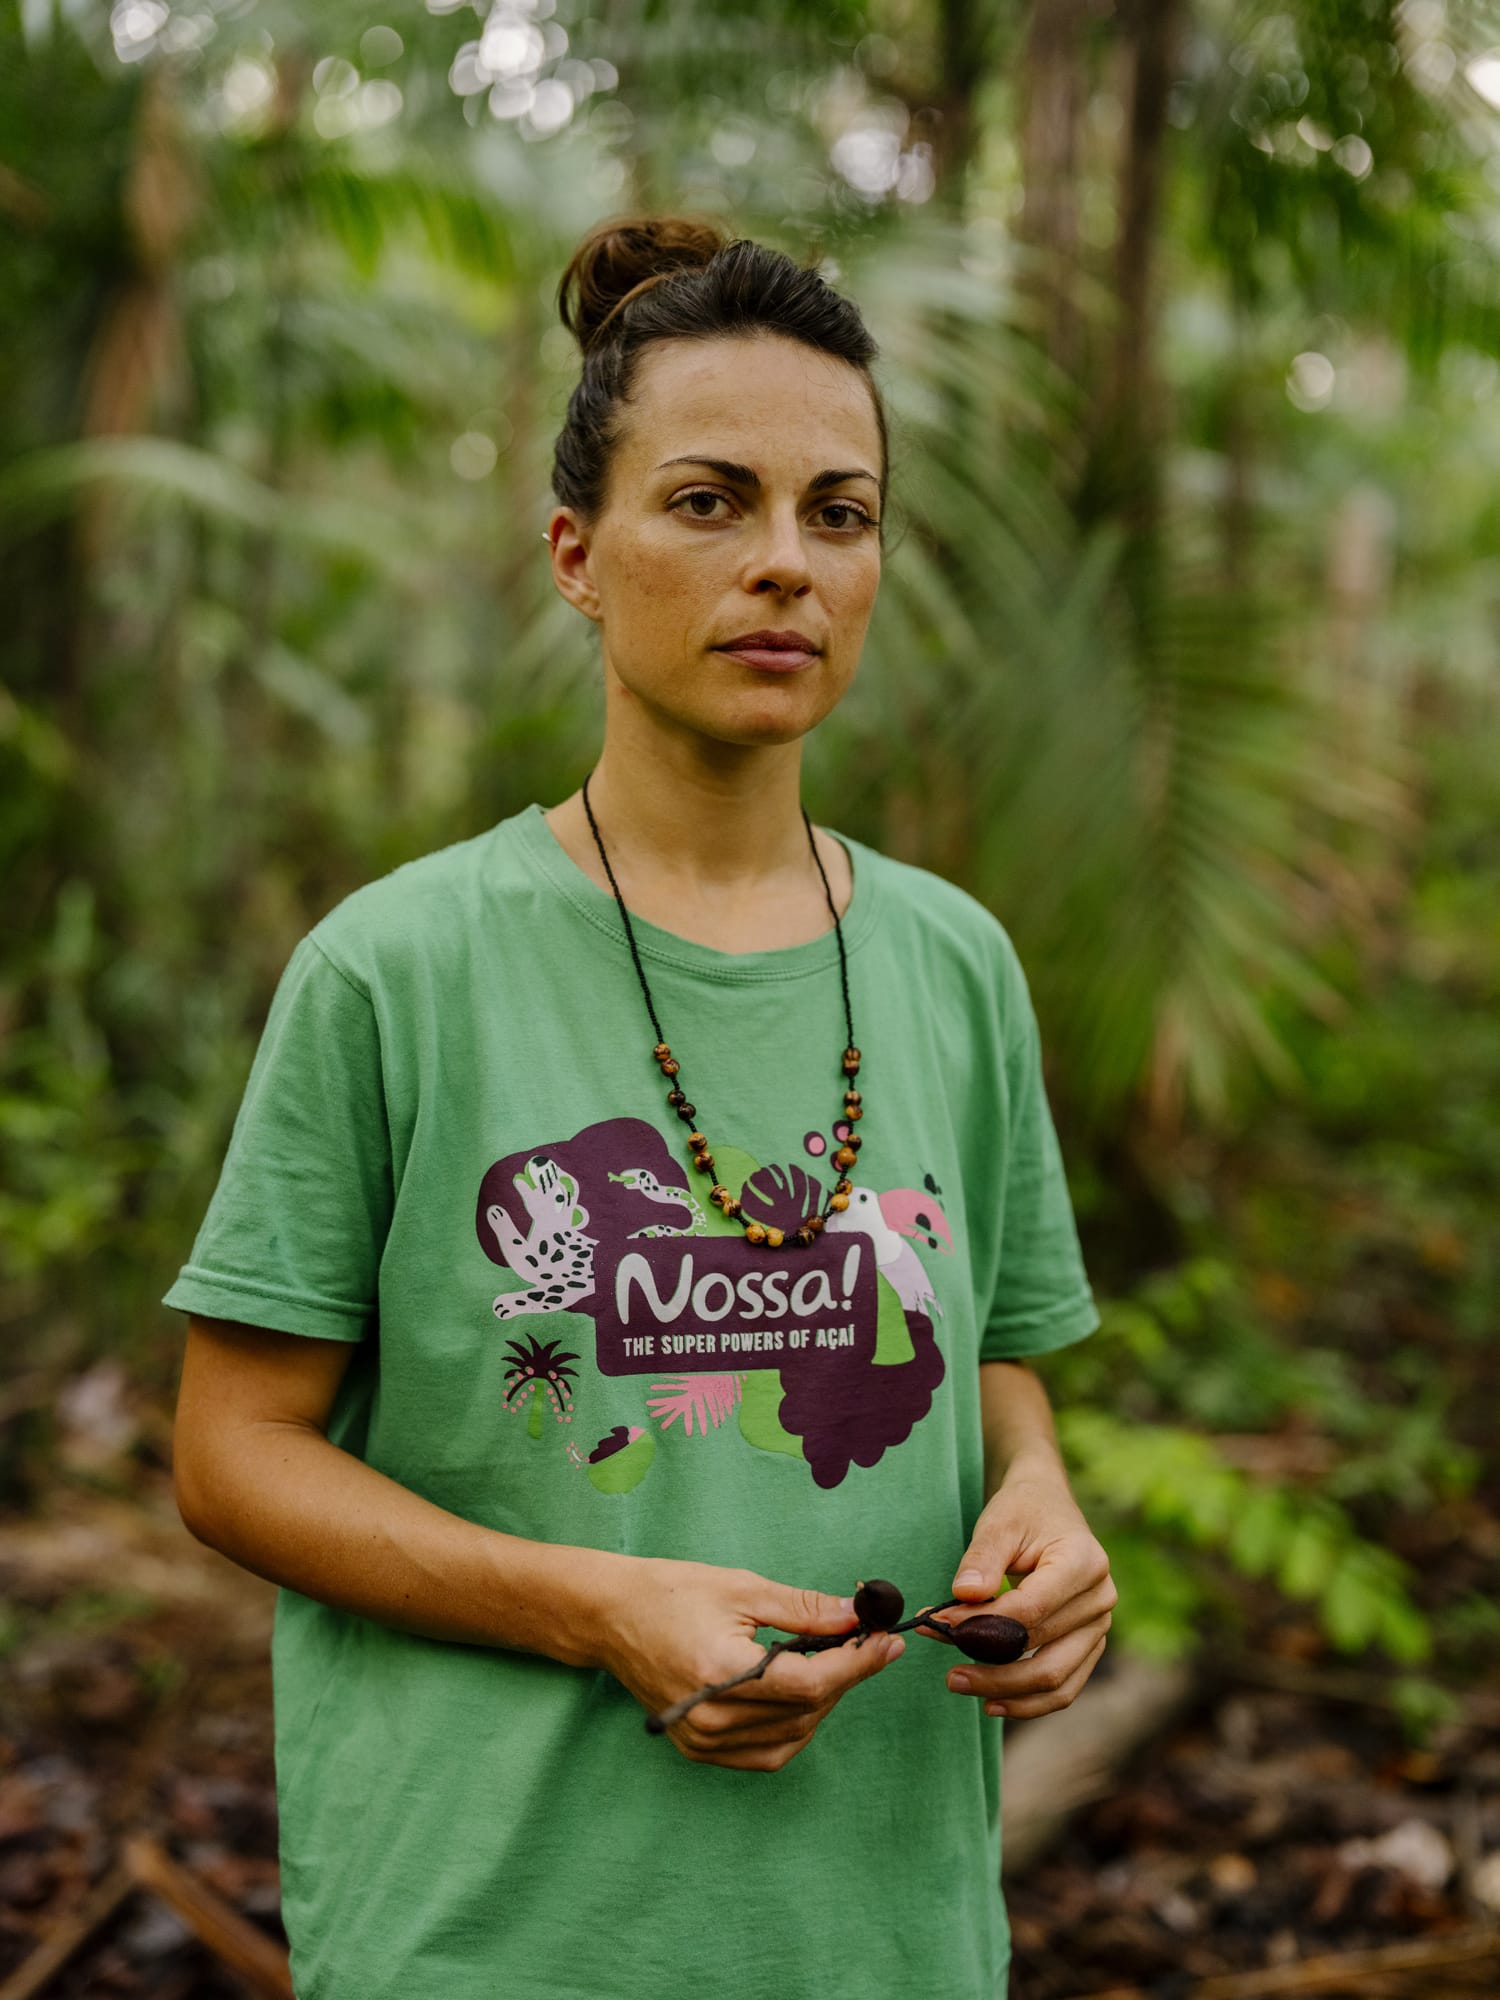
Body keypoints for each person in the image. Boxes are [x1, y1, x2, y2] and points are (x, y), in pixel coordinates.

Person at [165, 212, 1117, 2000]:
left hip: (882, 1932)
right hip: (495, 1933)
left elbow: (992, 1364)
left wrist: (1046, 1508)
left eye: (838, 513)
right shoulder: (398, 969)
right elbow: (228, 1455)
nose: (785, 564)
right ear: (576, 554)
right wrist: (596, 1608)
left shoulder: (955, 965)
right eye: (708, 501)